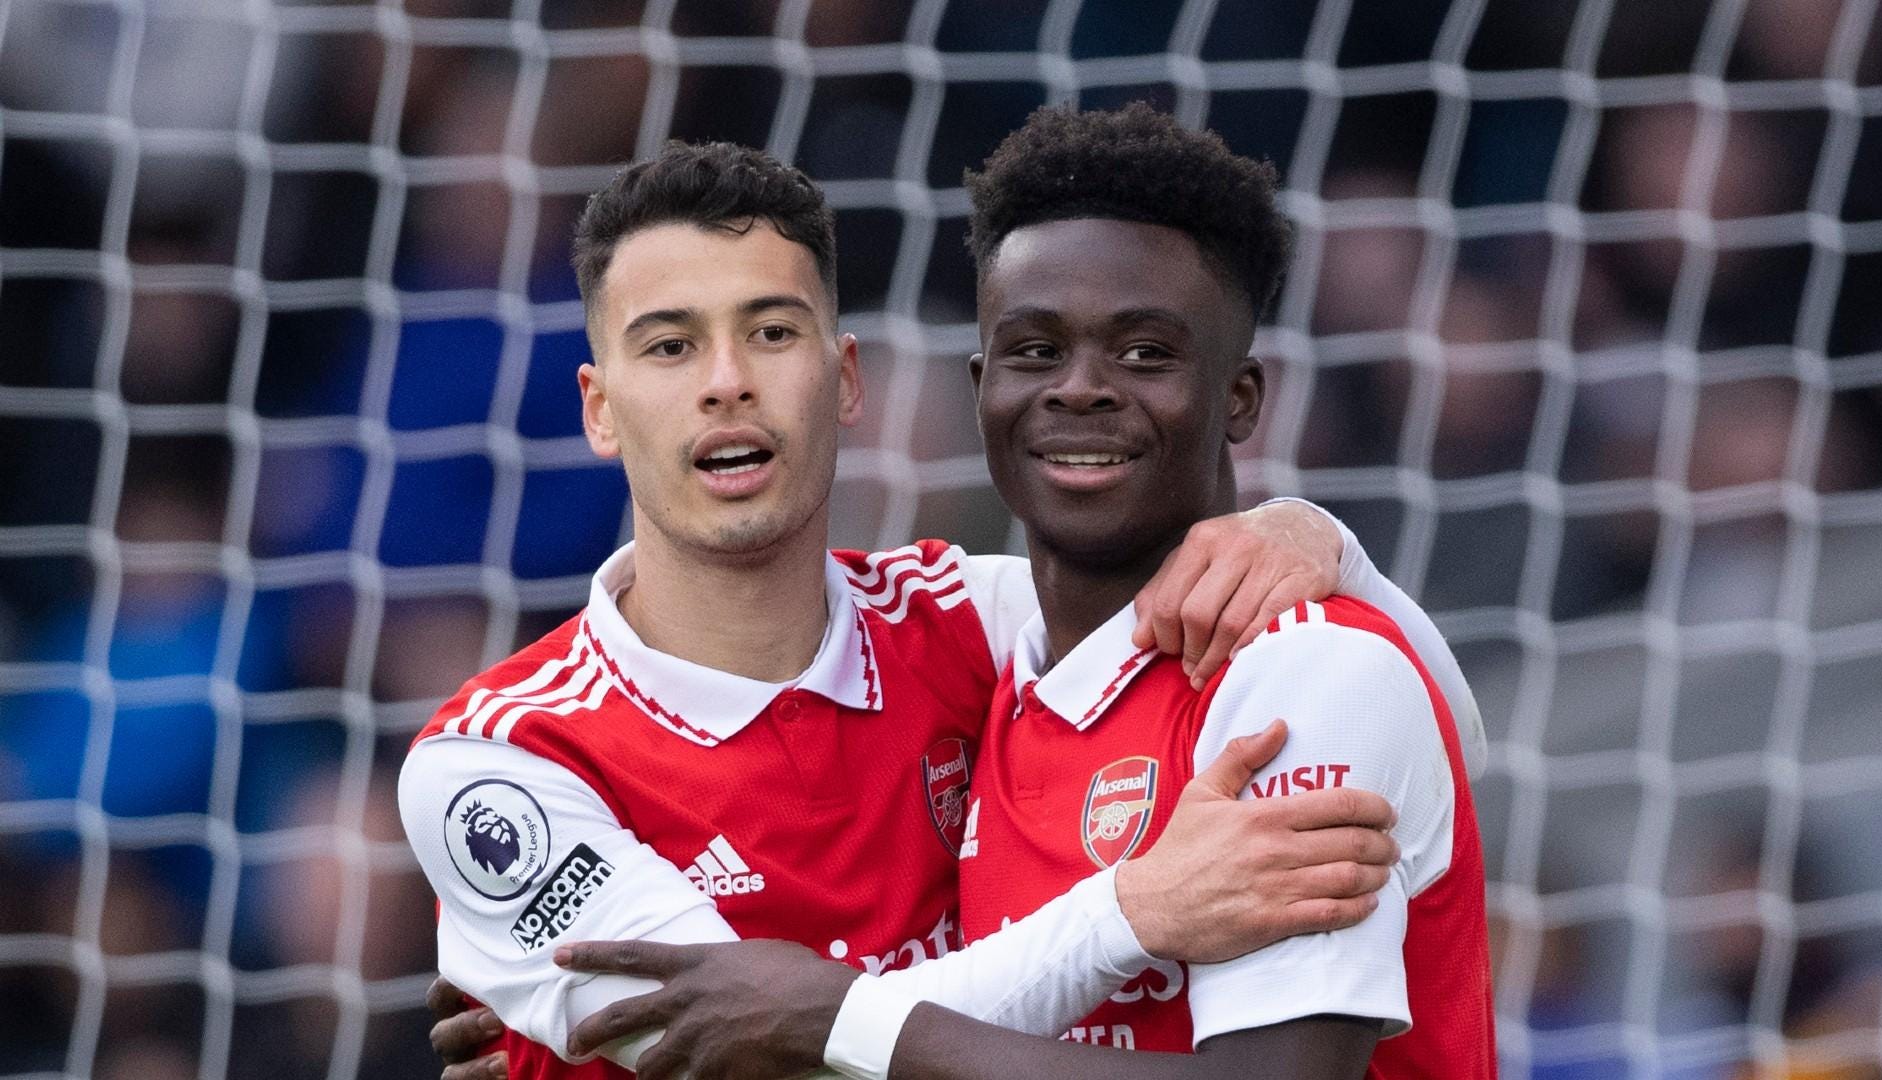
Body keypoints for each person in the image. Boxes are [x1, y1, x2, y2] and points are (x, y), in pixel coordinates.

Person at [403, 138, 1482, 1079]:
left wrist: (1316, 542)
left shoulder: (967, 621)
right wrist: (1134, 912)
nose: (725, 382)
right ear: (600, 406)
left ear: (846, 380)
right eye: (670, 345)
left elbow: (1419, 726)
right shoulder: (501, 764)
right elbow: (765, 1057)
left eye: (772, 333)